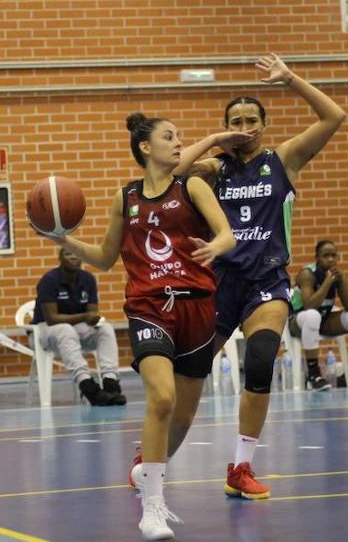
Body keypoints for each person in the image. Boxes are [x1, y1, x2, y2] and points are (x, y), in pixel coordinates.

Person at [48, 112, 235, 541]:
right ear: (146, 148)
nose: (177, 143)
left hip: (198, 307)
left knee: (184, 416)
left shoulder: (194, 187)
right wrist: (63, 240)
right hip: (149, 306)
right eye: (169, 137)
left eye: (179, 137)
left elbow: (227, 234)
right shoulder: (126, 198)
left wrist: (217, 246)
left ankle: (145, 467)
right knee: (163, 398)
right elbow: (105, 257)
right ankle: (153, 508)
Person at [175, 52, 346, 500]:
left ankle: (242, 466)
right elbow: (172, 171)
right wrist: (215, 139)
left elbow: (334, 115)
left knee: (261, 357)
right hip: (219, 281)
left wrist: (290, 79)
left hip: (267, 279)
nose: (245, 127)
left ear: (264, 125)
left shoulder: (283, 158)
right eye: (237, 120)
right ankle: (154, 453)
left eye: (252, 120)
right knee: (189, 372)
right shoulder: (215, 169)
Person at [33, 247, 126, 406]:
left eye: (77, 254)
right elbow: (52, 318)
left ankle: (111, 384)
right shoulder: (49, 280)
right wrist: (85, 317)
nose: (74, 257)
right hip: (45, 332)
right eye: (68, 254)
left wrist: (94, 318)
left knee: (105, 329)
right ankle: (88, 386)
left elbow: (91, 314)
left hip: (76, 329)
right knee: (65, 330)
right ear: (60, 258)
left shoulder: (88, 279)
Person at [290, 239, 348, 389]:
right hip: (297, 322)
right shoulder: (307, 274)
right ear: (317, 258)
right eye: (326, 256)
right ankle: (313, 376)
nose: (331, 259)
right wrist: (327, 283)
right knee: (313, 315)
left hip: (323, 320)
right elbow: (309, 305)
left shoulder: (336, 275)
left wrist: (342, 282)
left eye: (334, 255)